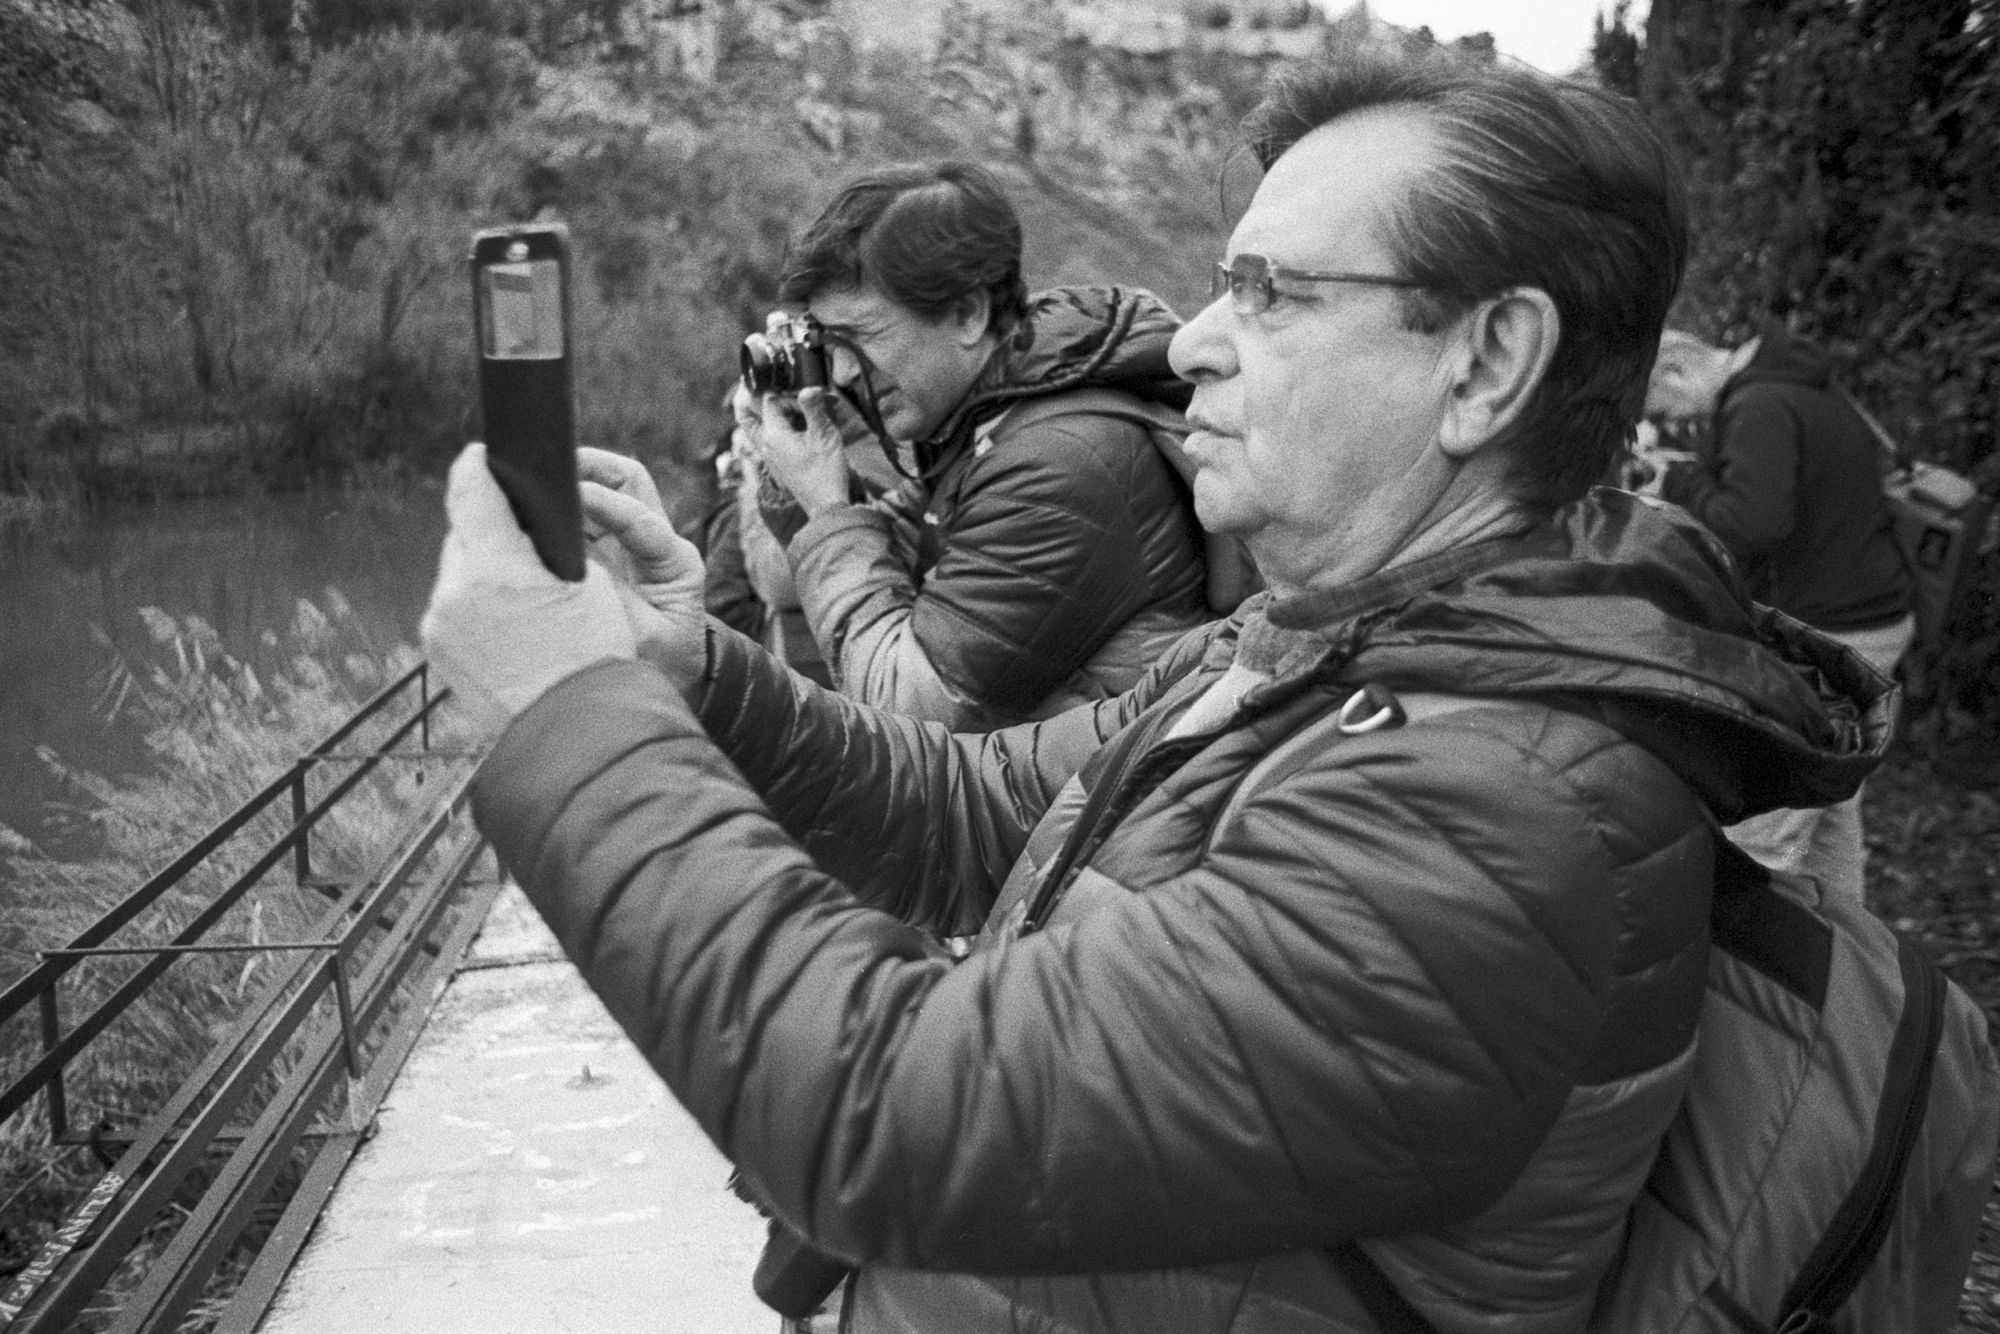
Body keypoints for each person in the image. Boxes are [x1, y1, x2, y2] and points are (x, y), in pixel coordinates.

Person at [422, 47, 1894, 1334]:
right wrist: (688, 668)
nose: (1190, 341)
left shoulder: (1499, 807)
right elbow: (978, 807)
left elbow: (899, 1111)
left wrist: (567, 716)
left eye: (1269, 292)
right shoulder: (1314, 648)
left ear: (1486, 361)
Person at [728, 160, 1217, 729]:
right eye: (828, 343)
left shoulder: (1056, 462)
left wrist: (828, 507)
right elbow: (873, 559)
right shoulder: (983, 431)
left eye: (860, 336)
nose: (840, 372)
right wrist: (792, 473)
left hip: (1110, 783)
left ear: (967, 313)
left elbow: (908, 711)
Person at [1645, 325, 1915, 905]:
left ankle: (1751, 953)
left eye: (1666, 409)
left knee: (1764, 831)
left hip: (1830, 633)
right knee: (1831, 806)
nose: (1676, 421)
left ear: (1676, 372)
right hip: (1869, 618)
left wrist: (1676, 479)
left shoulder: (1759, 404)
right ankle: (1846, 947)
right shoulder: (1801, 386)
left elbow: (1753, 523)